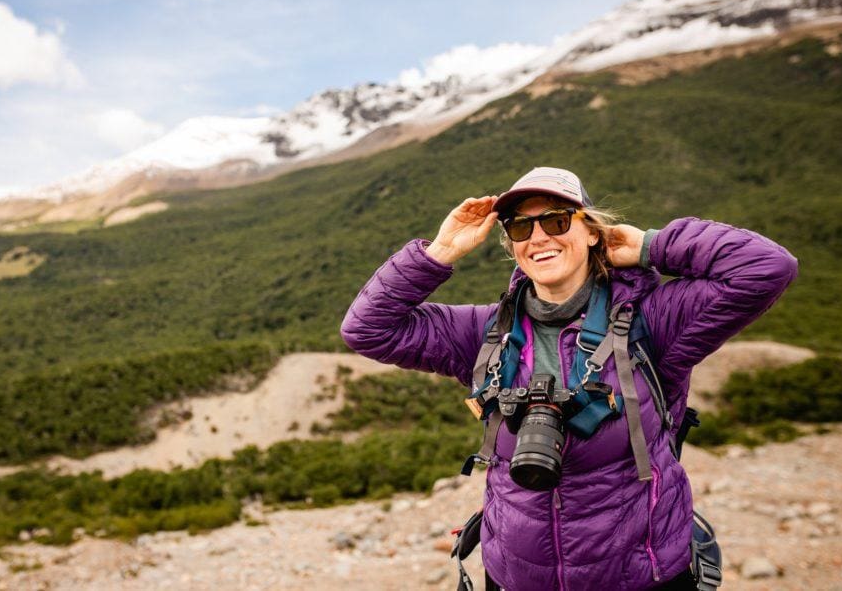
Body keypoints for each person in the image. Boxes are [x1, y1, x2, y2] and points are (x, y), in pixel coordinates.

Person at [340, 167, 798, 590]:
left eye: (557, 221)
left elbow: (766, 268)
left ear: (592, 231)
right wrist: (438, 253)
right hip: (517, 576)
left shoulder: (653, 320)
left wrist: (649, 246)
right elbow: (366, 329)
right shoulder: (486, 332)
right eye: (520, 226)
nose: (538, 236)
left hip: (641, 575)